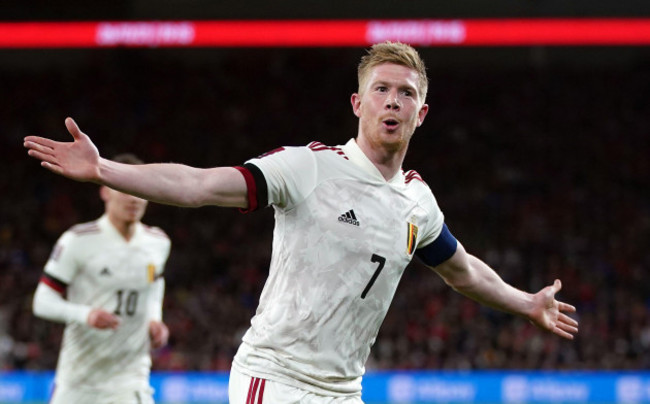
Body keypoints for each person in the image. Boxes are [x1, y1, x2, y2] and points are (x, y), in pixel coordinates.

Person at [24, 41, 578, 403]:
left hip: (344, 391)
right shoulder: (309, 167)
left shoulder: (418, 202)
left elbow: (463, 272)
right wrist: (105, 169)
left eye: (406, 93)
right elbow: (197, 185)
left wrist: (525, 302)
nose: (393, 101)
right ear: (357, 103)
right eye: (381, 89)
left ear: (421, 113)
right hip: (276, 378)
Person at [31, 153, 171, 404]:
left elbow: (155, 284)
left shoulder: (158, 242)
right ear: (105, 191)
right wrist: (86, 315)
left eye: (140, 189)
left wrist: (154, 319)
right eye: (125, 189)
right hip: (80, 382)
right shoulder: (77, 240)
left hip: (131, 380)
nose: (133, 198)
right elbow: (42, 301)